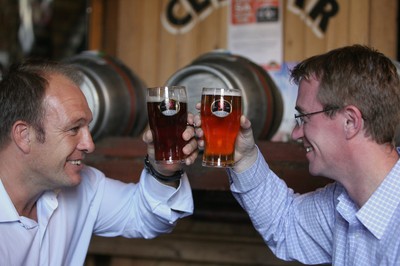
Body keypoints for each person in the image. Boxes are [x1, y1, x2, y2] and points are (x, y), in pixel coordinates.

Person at [194, 45, 400, 265]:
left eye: (304, 118)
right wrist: (244, 158)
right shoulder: (343, 202)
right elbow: (285, 222)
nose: (295, 132)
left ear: (350, 121)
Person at [0, 59, 198, 265]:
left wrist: (163, 171)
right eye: (74, 129)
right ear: (24, 135)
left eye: (87, 127)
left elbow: (145, 218)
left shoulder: (83, 186)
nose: (89, 145)